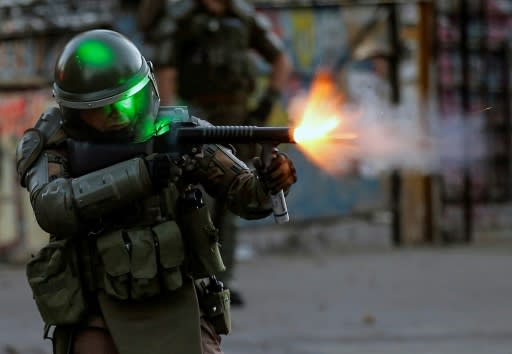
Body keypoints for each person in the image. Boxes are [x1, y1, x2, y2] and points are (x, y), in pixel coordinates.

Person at [16, 29, 297, 354]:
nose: (119, 115)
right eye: (103, 109)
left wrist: (271, 181)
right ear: (75, 111)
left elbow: (247, 198)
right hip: (98, 306)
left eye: (126, 101)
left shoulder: (179, 135)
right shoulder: (54, 144)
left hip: (179, 299)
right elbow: (52, 207)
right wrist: (143, 174)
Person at [138, 0, 292, 305]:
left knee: (234, 201)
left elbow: (280, 61)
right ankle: (198, 278)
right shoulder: (181, 17)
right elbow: (166, 71)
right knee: (200, 203)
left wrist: (266, 104)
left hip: (239, 123)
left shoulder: (243, 17)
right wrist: (173, 122)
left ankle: (224, 279)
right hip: (200, 122)